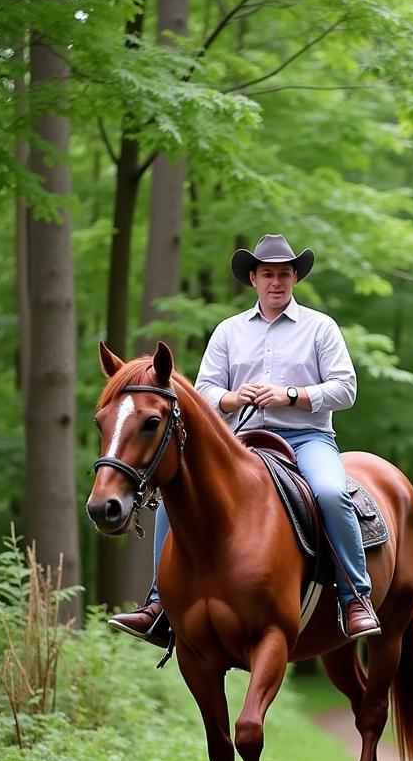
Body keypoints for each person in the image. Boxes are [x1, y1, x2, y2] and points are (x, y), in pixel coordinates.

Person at [109, 232, 381, 645]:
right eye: (268, 274)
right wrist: (234, 398)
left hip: (306, 437)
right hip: (240, 441)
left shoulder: (320, 328)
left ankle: (354, 597)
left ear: (295, 279)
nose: (277, 282)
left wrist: (293, 394)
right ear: (253, 278)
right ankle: (158, 605)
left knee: (329, 492)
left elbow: (346, 388)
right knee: (171, 498)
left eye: (285, 274)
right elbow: (204, 393)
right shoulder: (228, 332)